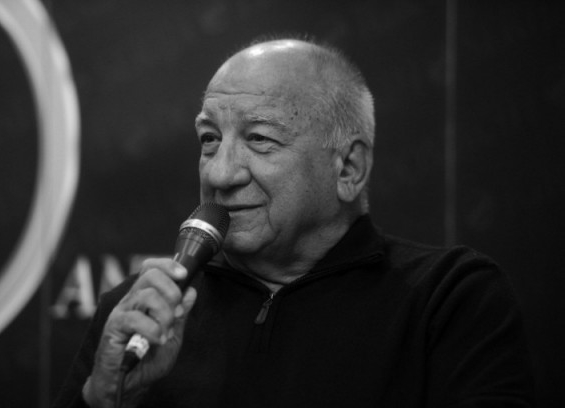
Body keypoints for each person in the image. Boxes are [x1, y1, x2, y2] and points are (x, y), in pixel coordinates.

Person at [53, 37, 535, 408]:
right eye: (209, 139)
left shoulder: (448, 299)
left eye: (260, 139)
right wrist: (102, 398)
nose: (219, 174)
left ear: (348, 169)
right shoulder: (140, 313)